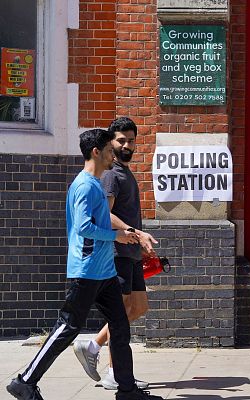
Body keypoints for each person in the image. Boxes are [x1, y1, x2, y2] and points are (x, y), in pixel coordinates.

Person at [5, 129, 162, 400]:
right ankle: (25, 381)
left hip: (105, 272)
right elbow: (84, 227)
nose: (114, 154)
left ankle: (126, 390)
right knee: (67, 327)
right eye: (110, 150)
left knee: (120, 327)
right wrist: (117, 236)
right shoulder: (85, 186)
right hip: (87, 271)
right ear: (96, 152)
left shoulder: (96, 184)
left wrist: (124, 235)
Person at [73, 117, 157, 390]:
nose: (127, 145)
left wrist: (140, 244)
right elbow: (105, 215)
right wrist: (135, 233)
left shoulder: (125, 172)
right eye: (121, 140)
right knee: (120, 314)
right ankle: (113, 371)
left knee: (138, 307)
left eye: (131, 140)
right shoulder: (110, 174)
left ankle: (93, 345)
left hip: (131, 253)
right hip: (117, 252)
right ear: (110, 142)